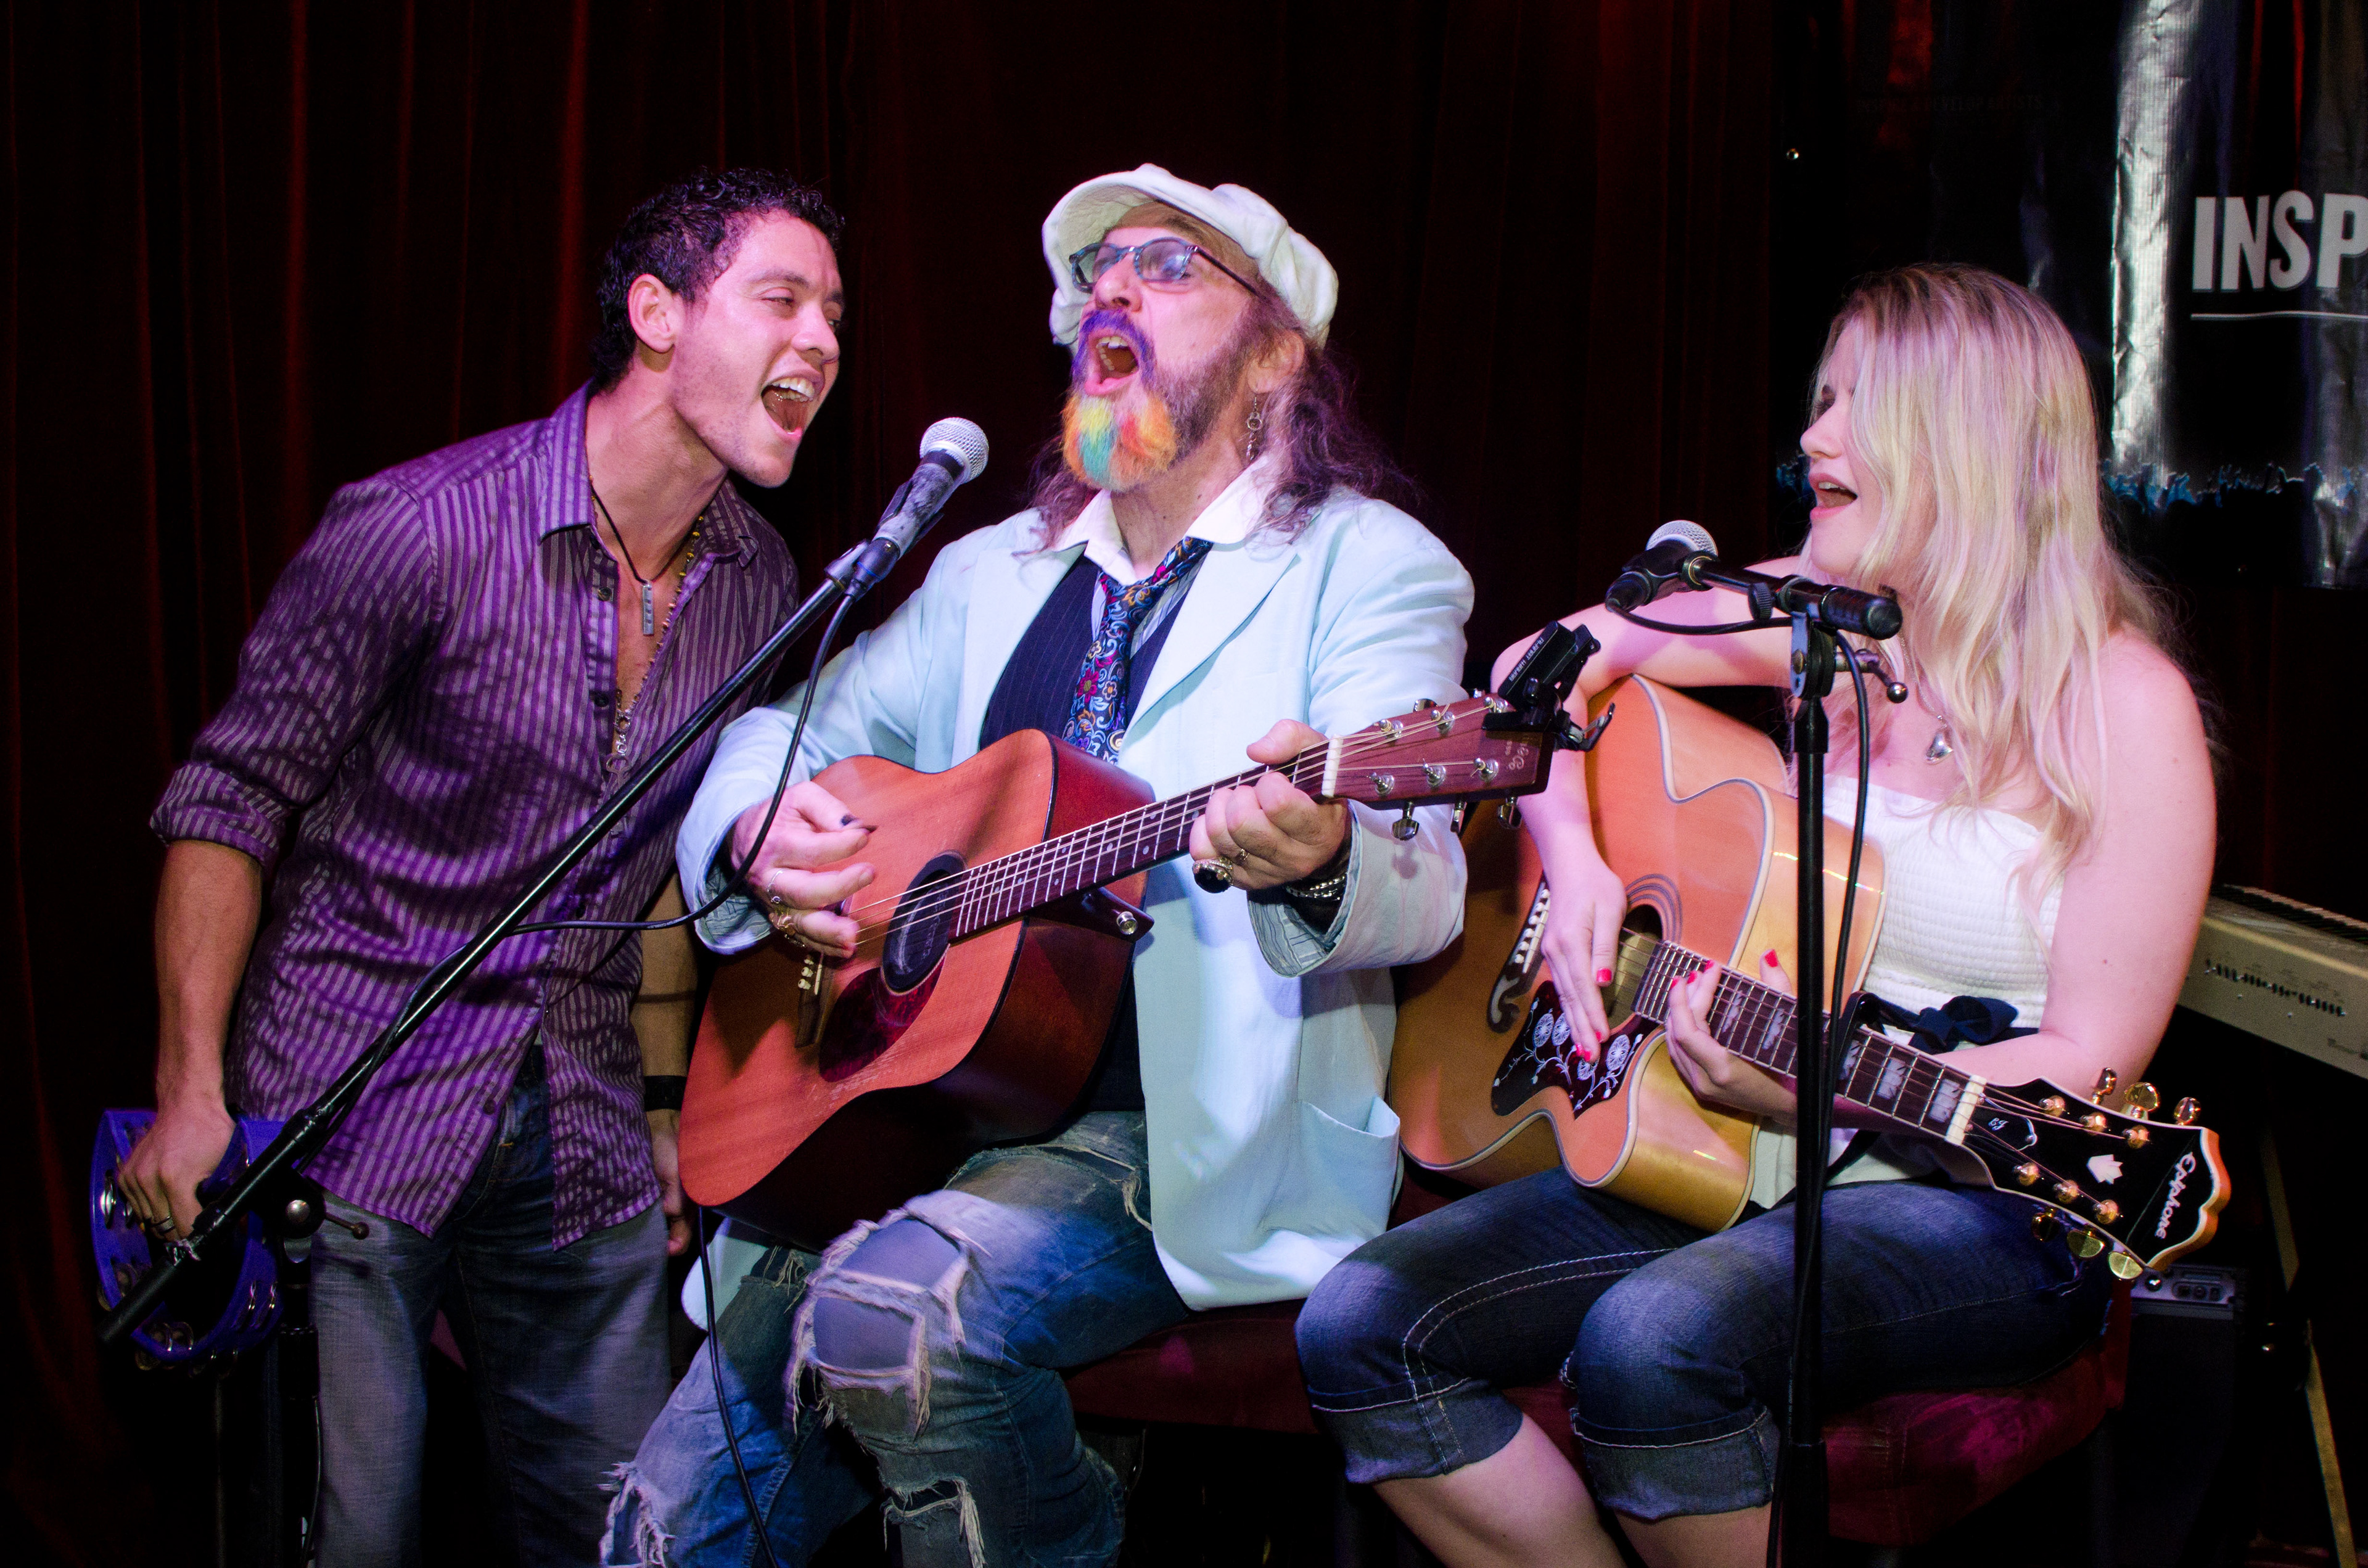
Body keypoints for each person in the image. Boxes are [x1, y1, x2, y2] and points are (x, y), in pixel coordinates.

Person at [603, 165, 1472, 1568]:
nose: (1112, 290)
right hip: (912, 1116)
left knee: (892, 1315)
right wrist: (762, 837)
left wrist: (1322, 859)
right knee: (659, 1535)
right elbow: (776, 729)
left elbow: (1422, 870)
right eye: (1100, 273)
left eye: (1170, 270)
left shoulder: (1369, 569)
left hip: (1167, 1146)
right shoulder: (988, 572)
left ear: (1275, 356)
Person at [1294, 263, 2216, 1568]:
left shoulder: (2126, 709)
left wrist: (1824, 1092)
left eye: (1854, 407)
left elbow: (2094, 1060)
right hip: (1747, 1148)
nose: (1812, 439)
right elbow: (1536, 668)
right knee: (1360, 1321)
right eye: (1818, 401)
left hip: (1982, 1189)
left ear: (1967, 436)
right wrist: (1573, 866)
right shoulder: (1818, 628)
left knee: (1653, 1343)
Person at [118, 168, 847, 1567]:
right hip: (348, 1109)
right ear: (655, 314)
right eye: (781, 298)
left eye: (836, 311)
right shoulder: (419, 525)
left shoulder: (762, 586)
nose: (821, 338)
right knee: (359, 1538)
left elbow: (660, 878)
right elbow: (228, 800)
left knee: (638, 1537)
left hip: (575, 1132)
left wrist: (656, 1109)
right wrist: (190, 1093)